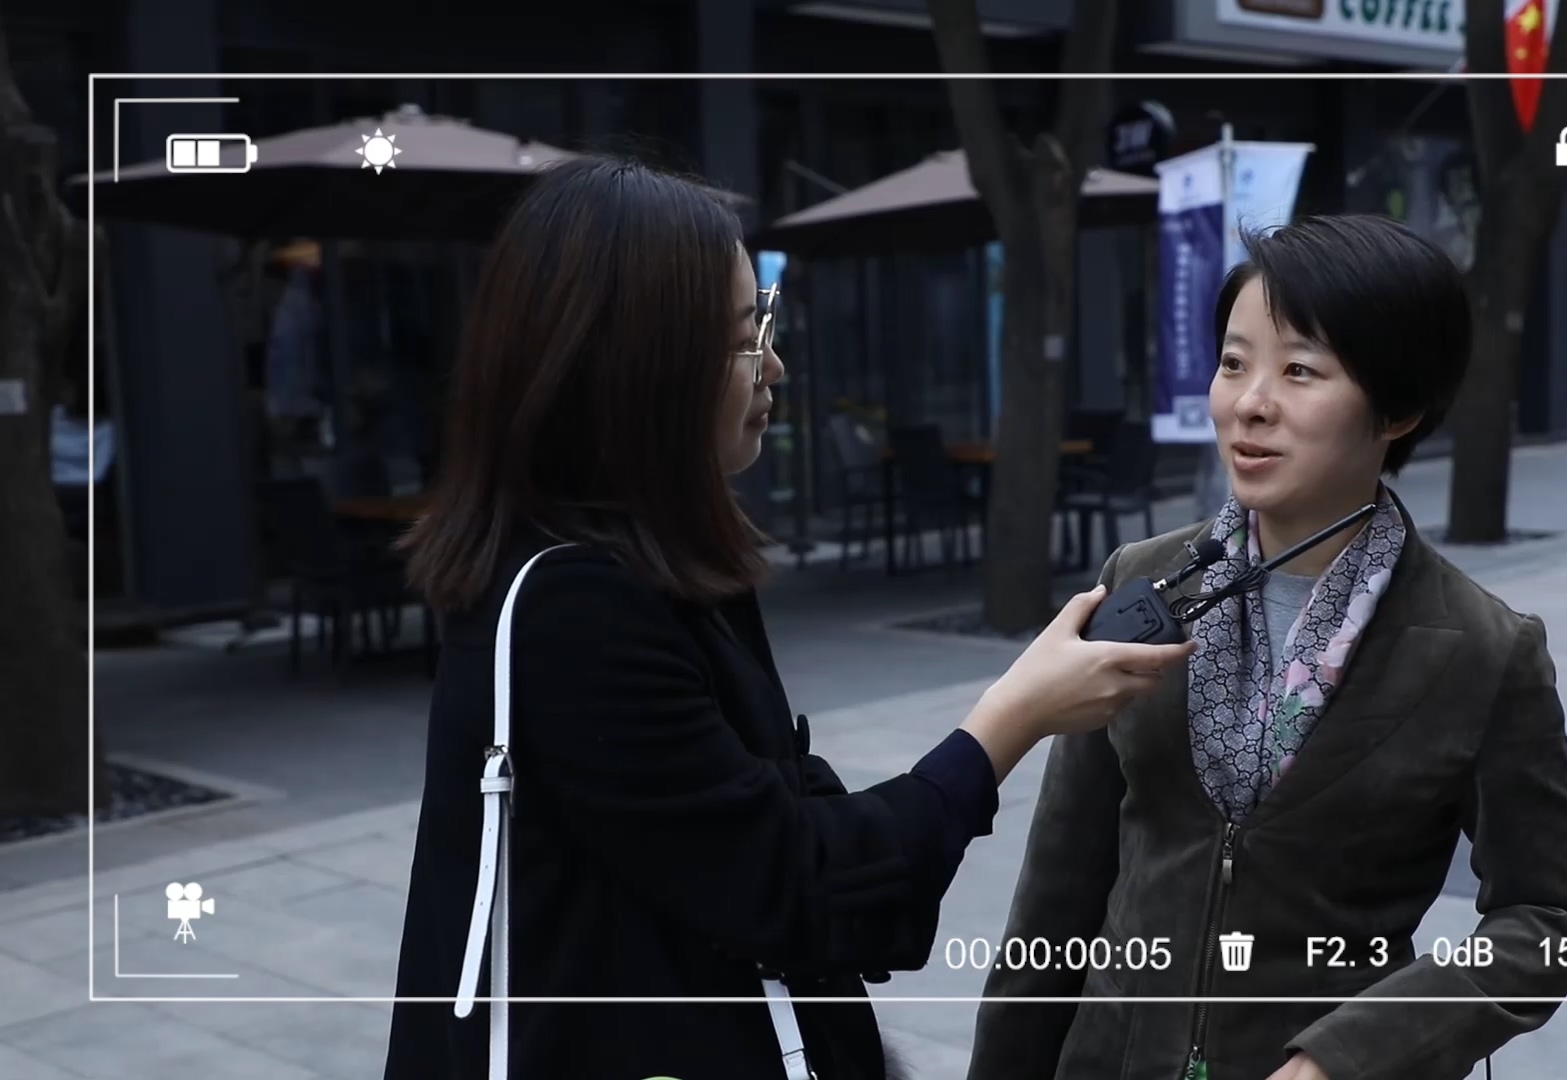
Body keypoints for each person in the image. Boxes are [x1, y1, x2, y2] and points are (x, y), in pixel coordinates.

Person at [381, 156, 1194, 1080]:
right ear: (636, 364)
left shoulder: (652, 563)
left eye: (763, 324)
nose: (774, 365)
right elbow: (796, 886)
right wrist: (1012, 719)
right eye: (742, 338)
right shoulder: (573, 609)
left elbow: (774, 831)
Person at [968, 215, 1567, 1080]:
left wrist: (1353, 1053)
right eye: (1234, 363)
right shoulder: (1143, 585)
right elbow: (1057, 890)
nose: (1250, 402)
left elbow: (1549, 918)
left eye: (1300, 370)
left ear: (1399, 409)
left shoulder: (1483, 650)